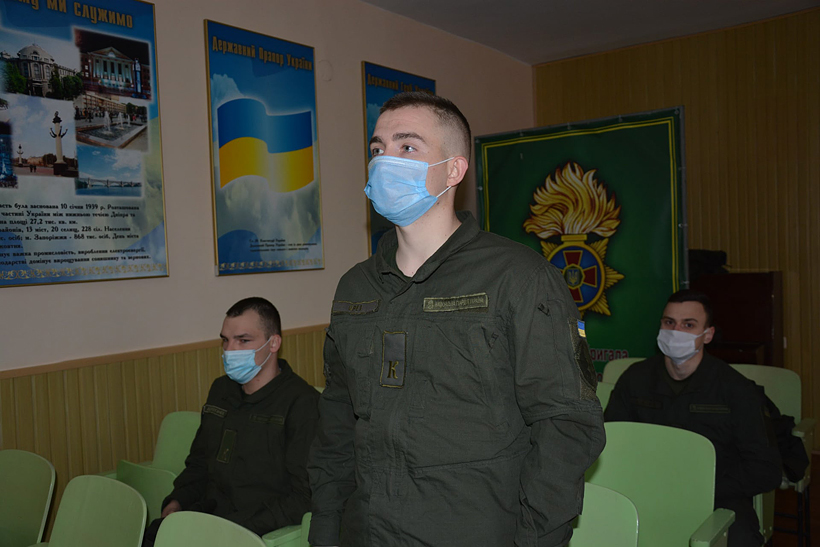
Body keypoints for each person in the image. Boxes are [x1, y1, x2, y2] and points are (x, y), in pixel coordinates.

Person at [308, 92, 605, 547]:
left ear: (453, 170)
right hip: (366, 531)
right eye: (377, 148)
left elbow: (566, 425)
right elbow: (336, 425)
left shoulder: (518, 277)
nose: (385, 160)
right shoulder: (355, 287)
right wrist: (326, 531)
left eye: (407, 146)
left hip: (473, 529)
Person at [605, 289, 782, 546]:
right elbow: (612, 441)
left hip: (717, 494)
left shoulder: (736, 389)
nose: (676, 331)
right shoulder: (635, 379)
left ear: (707, 334)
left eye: (688, 325)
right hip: (647, 489)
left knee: (740, 537)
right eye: (669, 322)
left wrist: (700, 487)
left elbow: (764, 469)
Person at [142, 297, 320, 545]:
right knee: (151, 535)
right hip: (207, 517)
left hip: (255, 529)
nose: (230, 350)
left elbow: (303, 496)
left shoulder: (302, 403)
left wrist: (233, 528)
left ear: (273, 343)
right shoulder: (221, 391)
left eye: (243, 340)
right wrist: (177, 500)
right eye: (225, 340)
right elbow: (199, 463)